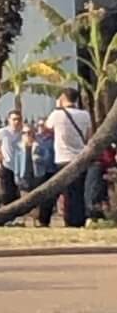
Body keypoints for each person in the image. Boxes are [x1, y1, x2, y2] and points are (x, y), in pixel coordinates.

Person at [45, 86, 93, 228]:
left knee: (64, 191)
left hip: (63, 158)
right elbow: (88, 136)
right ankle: (79, 219)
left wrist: (57, 107)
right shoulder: (85, 115)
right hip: (80, 157)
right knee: (78, 191)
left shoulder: (57, 114)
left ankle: (68, 219)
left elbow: (47, 127)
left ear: (63, 98)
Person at [0, 109, 27, 203]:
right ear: (9, 120)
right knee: (7, 192)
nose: (16, 122)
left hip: (21, 166)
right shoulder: (4, 132)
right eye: (14, 119)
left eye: (18, 119)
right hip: (7, 165)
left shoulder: (24, 132)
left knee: (20, 191)